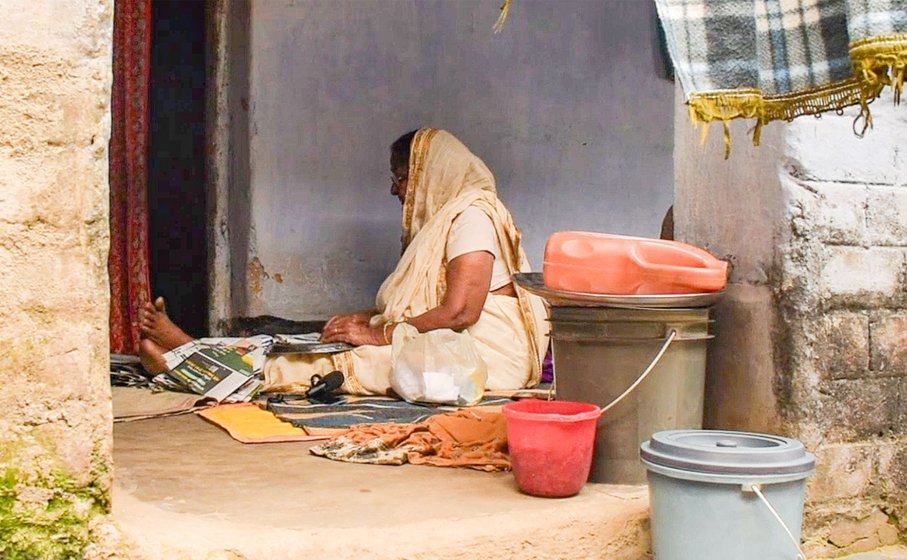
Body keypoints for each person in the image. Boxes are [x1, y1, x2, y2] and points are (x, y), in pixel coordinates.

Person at [140, 128, 548, 395]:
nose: (394, 189)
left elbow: (460, 311)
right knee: (320, 341)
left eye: (401, 177)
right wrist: (367, 317)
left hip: (486, 360)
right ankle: (196, 350)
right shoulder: (450, 218)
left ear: (430, 174)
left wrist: (377, 334)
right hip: (452, 343)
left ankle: (193, 367)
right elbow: (434, 304)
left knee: (350, 360)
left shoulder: (473, 215)